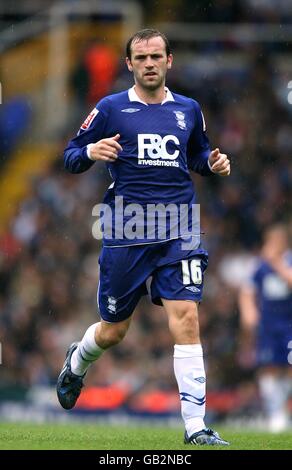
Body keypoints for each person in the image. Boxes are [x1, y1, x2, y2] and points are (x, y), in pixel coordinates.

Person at [57, 29, 231, 446]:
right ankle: (78, 361)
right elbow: (70, 155)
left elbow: (195, 156)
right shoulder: (110, 108)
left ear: (169, 60)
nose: (149, 63)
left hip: (180, 224)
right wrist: (91, 152)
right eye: (141, 57)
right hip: (127, 228)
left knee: (187, 318)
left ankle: (196, 428)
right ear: (129, 64)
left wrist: (213, 162)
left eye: (156, 55)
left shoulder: (189, 109)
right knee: (114, 330)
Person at [239, 224, 292, 432]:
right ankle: (275, 413)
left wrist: (276, 262)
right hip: (269, 325)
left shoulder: (287, 261)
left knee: (289, 368)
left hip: (289, 324)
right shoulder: (259, 265)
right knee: (268, 367)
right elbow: (246, 289)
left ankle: (283, 411)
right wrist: (247, 310)